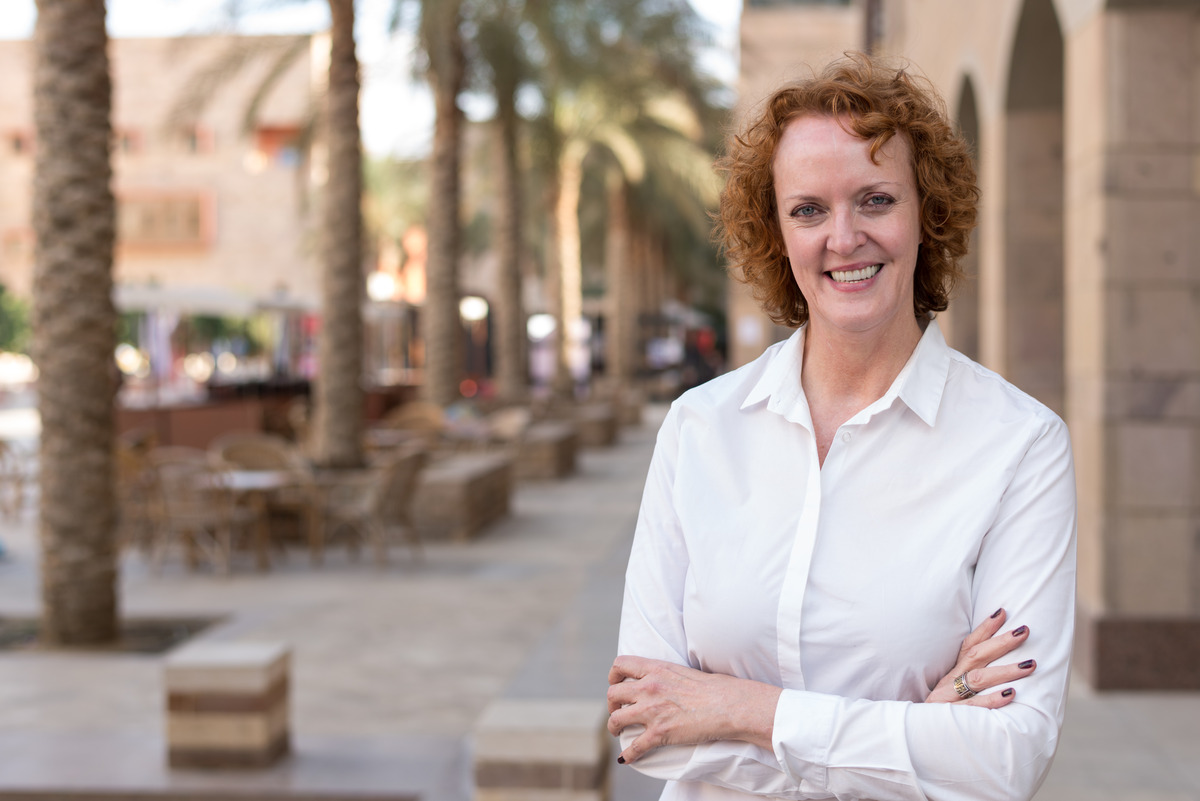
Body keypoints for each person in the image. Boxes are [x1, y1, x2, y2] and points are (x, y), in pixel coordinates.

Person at [607, 53, 1077, 801]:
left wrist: (738, 709)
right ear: (777, 231)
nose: (844, 236)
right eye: (809, 209)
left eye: (877, 199)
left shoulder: (1020, 446)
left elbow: (1004, 757)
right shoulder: (699, 428)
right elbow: (645, 728)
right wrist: (912, 735)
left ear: (928, 211)